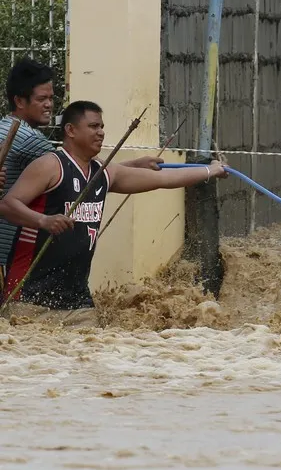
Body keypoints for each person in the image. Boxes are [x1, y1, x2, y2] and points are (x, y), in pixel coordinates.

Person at [0, 101, 229, 327]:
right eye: (93, 126)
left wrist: (210, 170)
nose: (100, 132)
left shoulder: (103, 172)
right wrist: (43, 220)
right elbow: (8, 204)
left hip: (77, 302)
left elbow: (163, 179)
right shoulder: (50, 166)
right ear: (70, 130)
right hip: (29, 299)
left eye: (102, 127)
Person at [0, 58, 162, 275]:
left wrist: (133, 164)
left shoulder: (5, 126)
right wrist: (133, 165)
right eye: (42, 99)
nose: (49, 104)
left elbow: (81, 172)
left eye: (50, 98)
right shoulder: (30, 139)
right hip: (9, 250)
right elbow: (73, 170)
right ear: (20, 101)